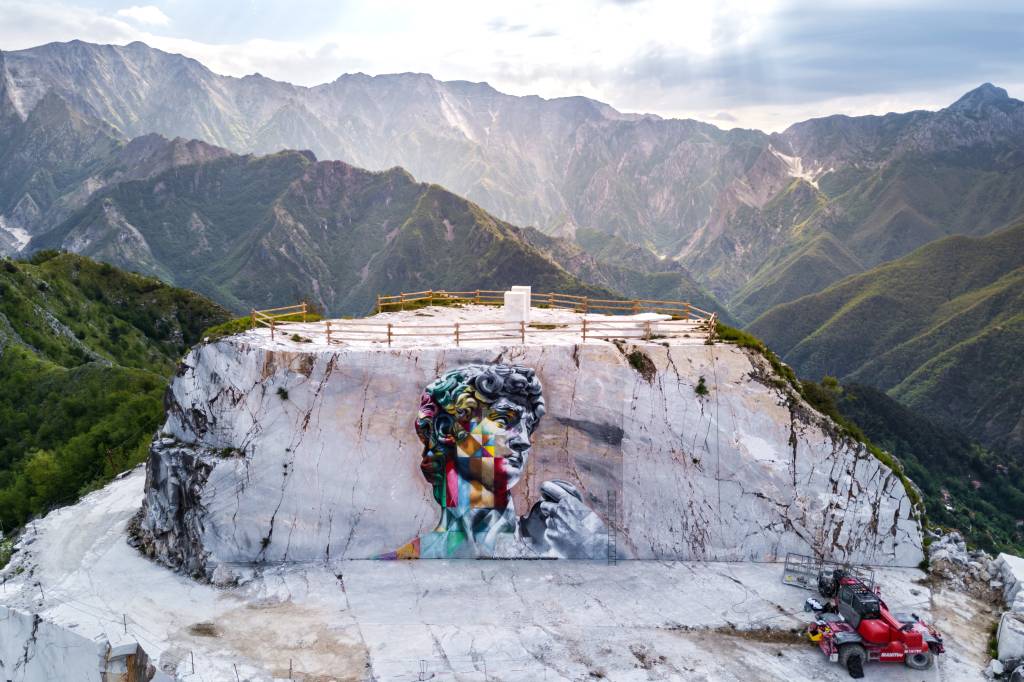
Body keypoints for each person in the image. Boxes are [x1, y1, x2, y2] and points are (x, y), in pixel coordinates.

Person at [381, 363, 609, 559]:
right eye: (502, 421)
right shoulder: (397, 564)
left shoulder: (564, 541)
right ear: (445, 429)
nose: (523, 441)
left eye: (527, 427)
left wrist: (592, 546)